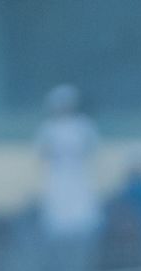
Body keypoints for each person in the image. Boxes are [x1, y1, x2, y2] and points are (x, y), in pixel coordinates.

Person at [35, 85, 100, 241]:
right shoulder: (48, 128)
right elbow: (42, 152)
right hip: (58, 176)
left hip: (78, 174)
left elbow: (92, 147)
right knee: (59, 211)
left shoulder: (83, 125)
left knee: (81, 212)